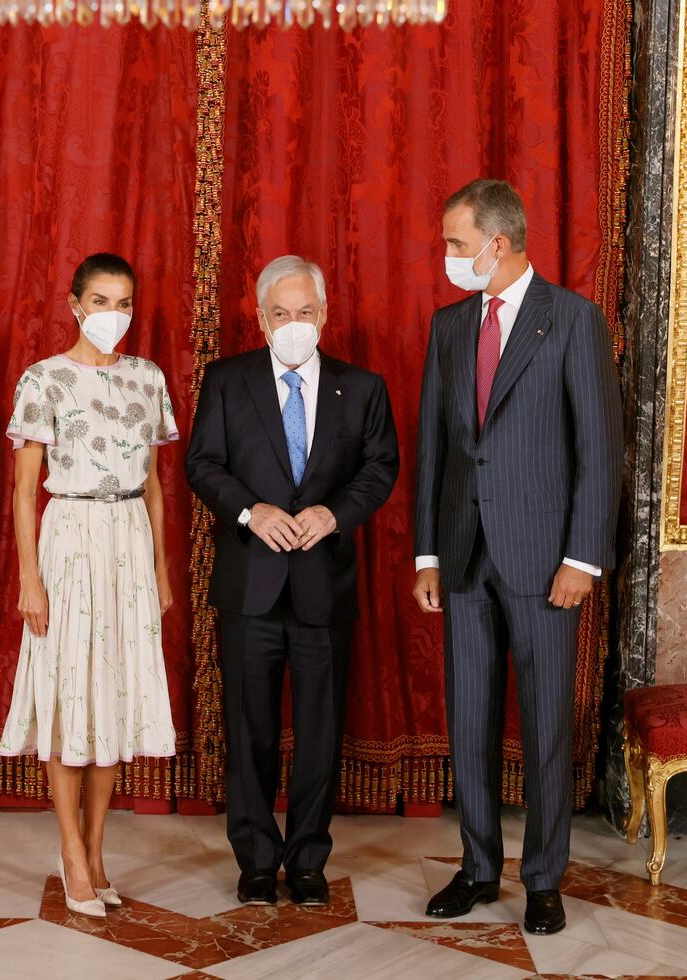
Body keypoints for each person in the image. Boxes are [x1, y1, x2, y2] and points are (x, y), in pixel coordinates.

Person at [413, 180, 622, 935]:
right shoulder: (447, 327)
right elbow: (434, 448)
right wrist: (428, 555)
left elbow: (599, 452)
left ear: (498, 244)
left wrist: (583, 559)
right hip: (464, 558)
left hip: (545, 565)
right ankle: (476, 869)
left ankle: (542, 879)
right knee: (469, 722)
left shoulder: (572, 321)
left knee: (543, 729)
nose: (448, 257)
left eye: (457, 245)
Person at [186, 255, 399, 907]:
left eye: (306, 312)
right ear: (260, 317)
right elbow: (203, 463)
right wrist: (253, 511)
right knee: (248, 730)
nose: (294, 323)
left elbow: (380, 467)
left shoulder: (361, 388)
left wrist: (336, 513)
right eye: (281, 313)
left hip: (322, 588)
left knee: (319, 730)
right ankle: (255, 859)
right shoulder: (227, 381)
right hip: (251, 586)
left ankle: (307, 858)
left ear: (324, 314)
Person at [0, 252, 178, 919]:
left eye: (124, 302)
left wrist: (159, 569)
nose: (113, 314)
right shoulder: (43, 381)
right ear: (74, 304)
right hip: (69, 540)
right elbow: (22, 493)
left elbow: (156, 486)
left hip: (129, 538)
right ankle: (70, 851)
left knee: (115, 696)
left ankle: (98, 851)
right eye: (100, 301)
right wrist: (29, 580)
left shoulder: (146, 380)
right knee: (72, 691)